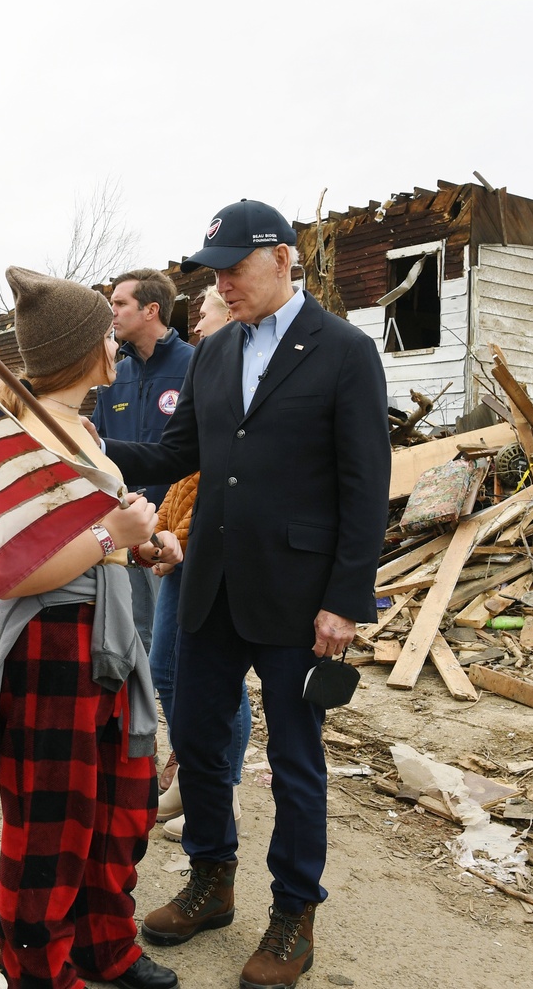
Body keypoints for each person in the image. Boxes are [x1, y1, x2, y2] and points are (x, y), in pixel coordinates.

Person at [102, 200, 391, 989]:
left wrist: (346, 599)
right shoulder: (215, 352)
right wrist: (85, 443)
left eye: (235, 267)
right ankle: (211, 882)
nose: (223, 282)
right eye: (215, 270)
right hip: (211, 588)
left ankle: (294, 914)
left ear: (284, 260)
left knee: (297, 763)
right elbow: (175, 451)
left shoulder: (345, 352)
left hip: (300, 600)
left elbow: (366, 485)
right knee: (197, 740)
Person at [0, 267, 181, 989]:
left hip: (105, 640)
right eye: (102, 331)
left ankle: (103, 946)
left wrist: (144, 545)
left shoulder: (82, 427)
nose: (115, 339)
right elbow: (10, 572)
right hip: (50, 645)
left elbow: (94, 533)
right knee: (52, 825)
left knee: (120, 805)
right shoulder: (19, 436)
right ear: (82, 350)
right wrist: (115, 536)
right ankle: (41, 972)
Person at [149, 287, 250, 841]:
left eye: (206, 312)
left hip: (212, 549)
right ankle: (193, 777)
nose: (198, 325)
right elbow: (185, 469)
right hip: (181, 542)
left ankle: (222, 789)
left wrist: (176, 536)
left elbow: (225, 480)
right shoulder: (209, 368)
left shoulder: (233, 374)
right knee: (166, 667)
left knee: (220, 677)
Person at [90, 268, 194, 657]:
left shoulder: (195, 366)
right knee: (131, 634)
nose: (112, 312)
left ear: (151, 310)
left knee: (176, 642)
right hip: (124, 521)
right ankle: (143, 715)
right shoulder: (115, 374)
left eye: (120, 303)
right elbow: (97, 449)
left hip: (174, 533)